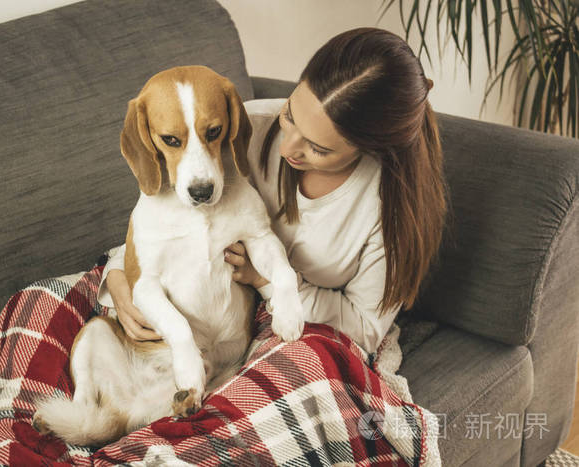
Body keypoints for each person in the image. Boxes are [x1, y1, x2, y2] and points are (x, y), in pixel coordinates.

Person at [97, 27, 448, 356]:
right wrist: (118, 279)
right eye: (291, 114)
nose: (286, 148)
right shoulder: (236, 130)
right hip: (194, 315)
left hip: (302, 332)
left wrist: (265, 279)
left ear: (369, 149)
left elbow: (367, 329)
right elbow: (160, 221)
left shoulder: (388, 208)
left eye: (318, 149)